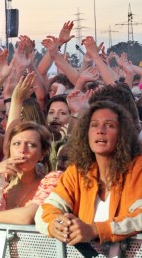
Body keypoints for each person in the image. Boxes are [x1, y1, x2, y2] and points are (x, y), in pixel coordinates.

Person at [35, 100, 142, 244]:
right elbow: (45, 210)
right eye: (94, 125)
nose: (100, 130)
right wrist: (55, 224)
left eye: (109, 125)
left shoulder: (138, 169)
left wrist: (95, 230)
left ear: (123, 134)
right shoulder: (76, 172)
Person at [0, 121, 56, 224]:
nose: (22, 150)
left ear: (42, 154)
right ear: (9, 150)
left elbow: (27, 217)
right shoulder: (0, 182)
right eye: (16, 144)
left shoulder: (51, 180)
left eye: (31, 145)